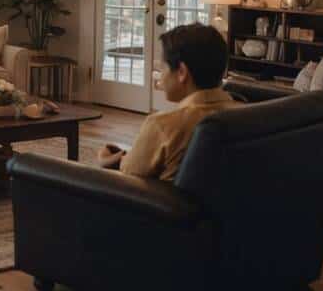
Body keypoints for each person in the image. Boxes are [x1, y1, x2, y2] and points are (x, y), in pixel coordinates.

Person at [98, 23, 240, 181]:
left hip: (156, 204)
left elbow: (129, 175)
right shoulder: (245, 115)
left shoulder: (164, 125)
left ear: (181, 72)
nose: (161, 76)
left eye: (162, 68)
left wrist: (106, 161)